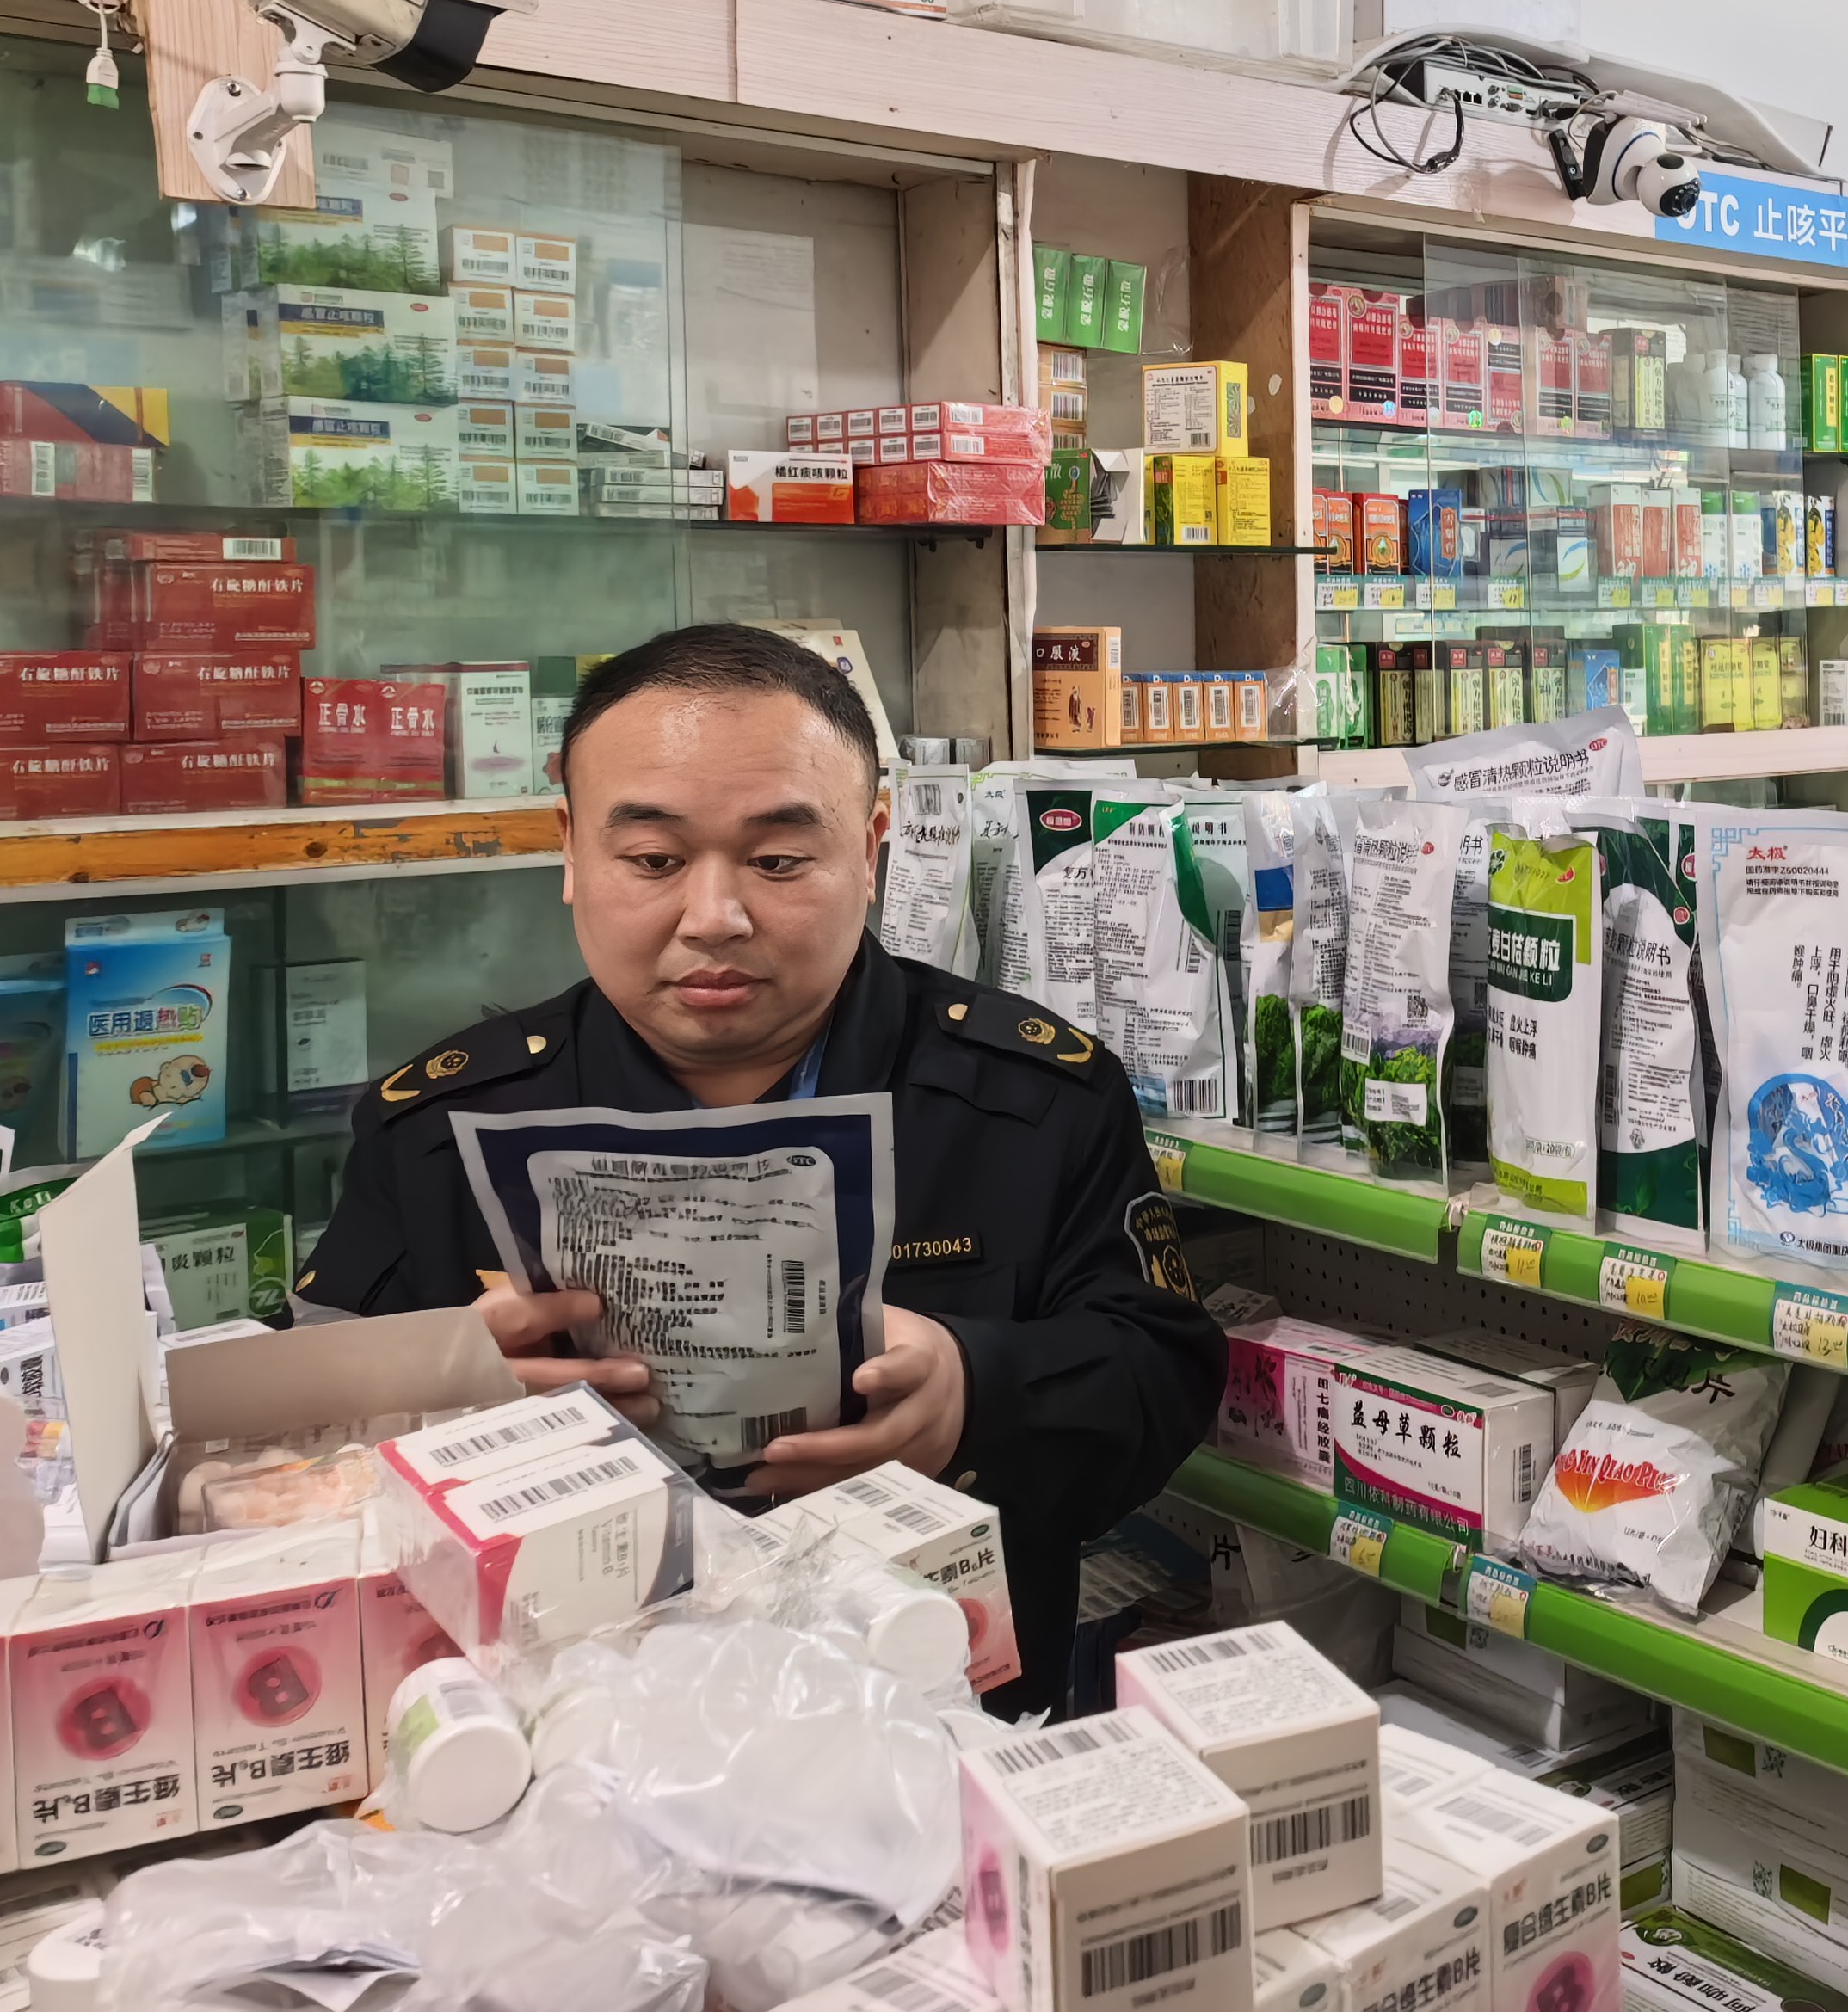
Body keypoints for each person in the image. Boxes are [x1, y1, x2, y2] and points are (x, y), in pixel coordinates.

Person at [295, 624, 1224, 1705]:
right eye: (653, 860)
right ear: (570, 850)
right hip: (554, 1743)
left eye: (779, 861)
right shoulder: (444, 1127)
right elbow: (286, 1459)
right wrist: (446, 1406)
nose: (714, 918)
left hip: (940, 1732)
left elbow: (1163, 1377)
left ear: (870, 851)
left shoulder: (1033, 1100)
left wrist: (975, 1393)